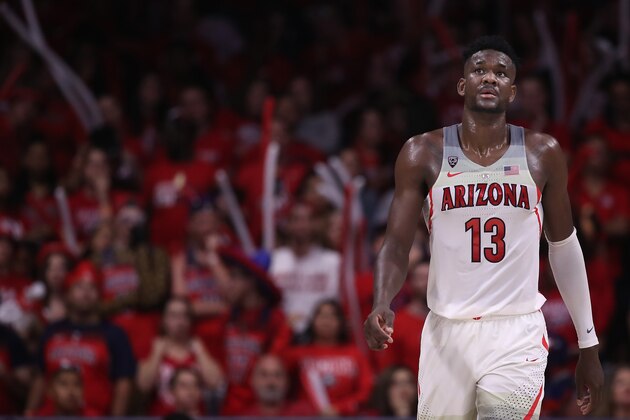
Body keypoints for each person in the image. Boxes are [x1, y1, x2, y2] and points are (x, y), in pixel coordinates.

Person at [363, 35, 604, 418]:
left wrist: (587, 344)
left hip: (516, 331)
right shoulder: (422, 152)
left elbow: (564, 247)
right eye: (479, 70)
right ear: (462, 85)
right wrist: (381, 301)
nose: (490, 78)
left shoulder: (542, 153)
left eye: (501, 73)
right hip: (446, 330)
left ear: (512, 91)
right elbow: (395, 244)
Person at [26, 260, 136, 416]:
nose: (86, 293)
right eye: (79, 287)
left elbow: (123, 384)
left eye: (92, 287)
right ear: (68, 293)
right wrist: (30, 412)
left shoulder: (114, 334)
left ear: (100, 295)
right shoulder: (52, 331)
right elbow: (41, 377)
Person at [136, 297, 224, 415]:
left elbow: (215, 383)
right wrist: (156, 355)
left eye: (184, 316)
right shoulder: (153, 348)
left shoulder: (201, 346)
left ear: (190, 320)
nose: (180, 321)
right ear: (164, 320)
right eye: (173, 315)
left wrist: (201, 352)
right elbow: (144, 385)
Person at [286, 299, 373, 416]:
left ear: (341, 322)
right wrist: (286, 328)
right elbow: (273, 363)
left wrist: (340, 408)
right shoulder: (301, 353)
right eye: (321, 316)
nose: (326, 321)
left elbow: (366, 390)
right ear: (312, 321)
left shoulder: (355, 354)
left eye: (332, 316)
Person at [237, 354, 316, 416]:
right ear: (252, 380)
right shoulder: (245, 417)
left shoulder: (304, 414)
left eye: (277, 375)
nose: (271, 382)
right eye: (264, 375)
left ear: (287, 381)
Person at [34, 366, 99, 417]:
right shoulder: (40, 417)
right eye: (63, 384)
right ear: (50, 390)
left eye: (76, 384)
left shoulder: (93, 417)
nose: (71, 391)